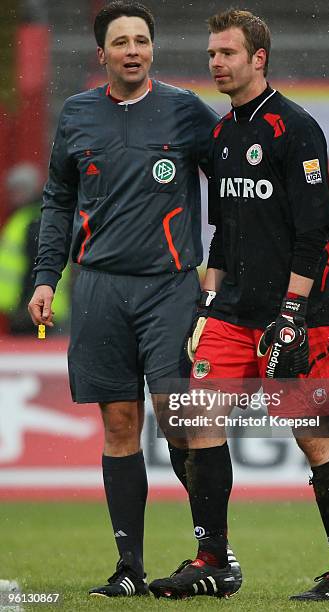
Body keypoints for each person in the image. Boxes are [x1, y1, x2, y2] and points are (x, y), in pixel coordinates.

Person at [149, 9, 329, 602]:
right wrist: (209, 301)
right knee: (196, 424)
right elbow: (220, 231)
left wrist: (293, 314)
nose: (216, 63)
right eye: (212, 54)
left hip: (297, 315)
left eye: (227, 54)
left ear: (258, 58)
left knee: (312, 434)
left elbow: (317, 233)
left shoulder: (295, 129)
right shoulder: (221, 136)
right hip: (232, 312)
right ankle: (213, 561)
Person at [27, 0, 243, 599]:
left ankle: (215, 554)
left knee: (180, 421)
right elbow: (57, 200)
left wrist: (223, 272)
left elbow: (229, 194)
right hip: (97, 287)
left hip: (170, 286)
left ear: (152, 49)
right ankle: (129, 569)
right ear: (102, 55)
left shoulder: (185, 112)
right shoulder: (76, 115)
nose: (132, 50)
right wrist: (46, 277)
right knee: (119, 424)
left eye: (141, 41)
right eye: (120, 42)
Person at [0, 162, 70, 334]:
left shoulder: (33, 221)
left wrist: (26, 306)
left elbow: (36, 266)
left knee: (37, 350)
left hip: (36, 311)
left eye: (18, 189)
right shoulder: (28, 217)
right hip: (36, 308)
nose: (13, 195)